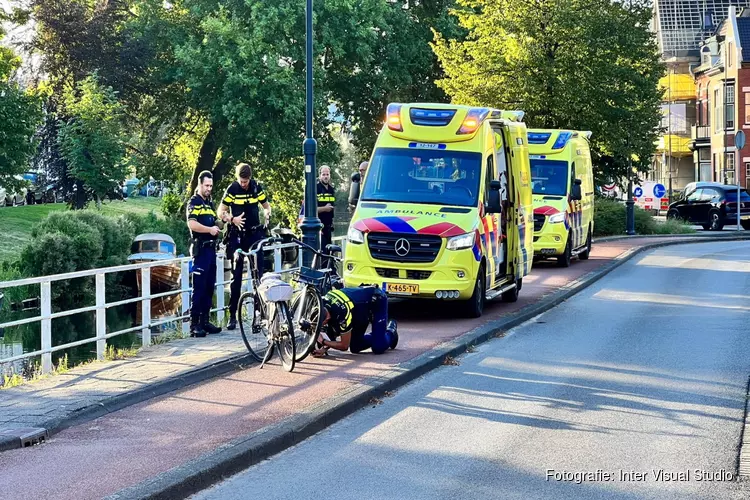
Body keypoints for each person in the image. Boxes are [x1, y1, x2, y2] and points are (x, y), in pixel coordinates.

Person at [217, 162, 272, 331]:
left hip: (254, 235)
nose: (243, 184)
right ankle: (232, 315)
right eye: (241, 181)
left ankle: (259, 314)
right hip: (237, 235)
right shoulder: (232, 189)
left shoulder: (256, 187)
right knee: (236, 276)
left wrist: (267, 213)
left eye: (246, 181)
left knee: (258, 275)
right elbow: (220, 211)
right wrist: (232, 219)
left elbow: (266, 205)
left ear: (250, 178)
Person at [186, 170, 224, 337]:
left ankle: (205, 321)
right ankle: (195, 324)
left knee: (209, 287)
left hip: (211, 250)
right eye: (206, 185)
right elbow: (192, 224)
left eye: (211, 186)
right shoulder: (194, 202)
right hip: (201, 250)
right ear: (200, 185)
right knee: (199, 288)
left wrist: (223, 221)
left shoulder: (209, 203)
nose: (209, 188)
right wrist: (210, 229)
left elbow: (214, 223)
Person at [312, 286, 398, 357]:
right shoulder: (320, 303)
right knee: (355, 347)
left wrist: (324, 342)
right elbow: (331, 333)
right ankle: (377, 335)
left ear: (327, 318)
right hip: (358, 311)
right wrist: (323, 349)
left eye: (321, 324)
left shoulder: (342, 314)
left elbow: (344, 345)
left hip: (376, 300)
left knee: (378, 347)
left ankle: (391, 331)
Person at [316, 165, 336, 250]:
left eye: (327, 174)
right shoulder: (316, 188)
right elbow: (311, 210)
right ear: (320, 175)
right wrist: (325, 208)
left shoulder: (331, 189)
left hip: (328, 226)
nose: (326, 177)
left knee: (329, 251)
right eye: (323, 174)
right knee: (322, 252)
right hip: (319, 227)